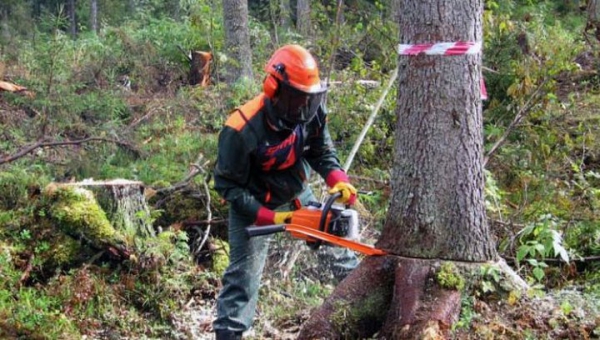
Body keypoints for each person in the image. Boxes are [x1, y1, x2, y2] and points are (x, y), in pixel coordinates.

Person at [212, 44, 359, 340]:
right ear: (274, 88)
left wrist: (337, 178)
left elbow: (322, 150)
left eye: (310, 99)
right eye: (298, 99)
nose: (304, 108)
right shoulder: (241, 129)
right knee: (243, 280)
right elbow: (228, 186)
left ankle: (362, 311)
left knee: (339, 250)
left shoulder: (311, 112)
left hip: (295, 192)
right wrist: (270, 217)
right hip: (253, 205)